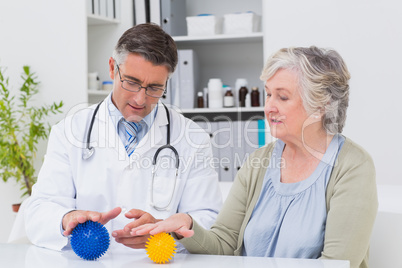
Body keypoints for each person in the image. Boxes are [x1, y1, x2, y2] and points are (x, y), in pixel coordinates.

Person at [131, 46, 378, 268]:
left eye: (282, 97)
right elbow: (225, 244)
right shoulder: (259, 161)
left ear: (321, 105)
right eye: (268, 94)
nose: (269, 107)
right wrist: (186, 224)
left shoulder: (352, 167)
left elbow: (336, 264)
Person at [24, 23, 222, 251]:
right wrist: (67, 218)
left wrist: (165, 230)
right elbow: (39, 211)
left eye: (155, 88)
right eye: (132, 82)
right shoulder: (70, 131)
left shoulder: (192, 138)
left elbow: (210, 219)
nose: (140, 99)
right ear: (112, 68)